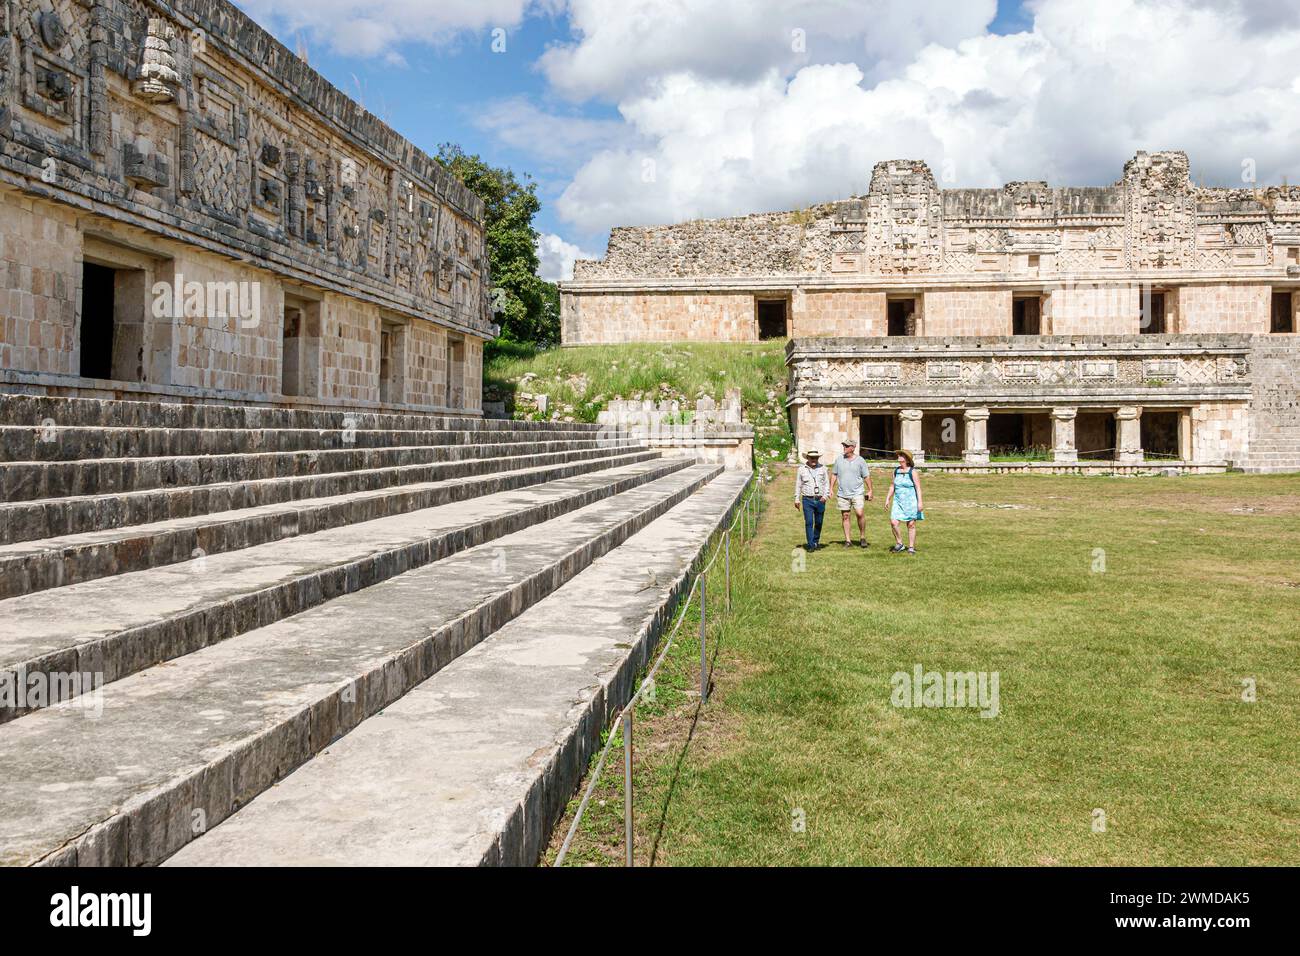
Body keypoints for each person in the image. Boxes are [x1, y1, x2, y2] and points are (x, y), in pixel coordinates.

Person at [830, 438, 873, 548]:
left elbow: (866, 476)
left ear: (853, 448)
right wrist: (830, 488)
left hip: (857, 492)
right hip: (842, 493)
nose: (844, 447)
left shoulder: (860, 460)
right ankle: (848, 540)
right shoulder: (839, 460)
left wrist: (870, 490)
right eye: (844, 445)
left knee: (859, 513)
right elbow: (834, 474)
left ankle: (862, 537)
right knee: (845, 515)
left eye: (846, 446)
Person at [885, 449, 924, 554]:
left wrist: (920, 502)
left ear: (906, 459)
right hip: (898, 501)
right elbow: (892, 485)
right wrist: (888, 498)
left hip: (911, 501)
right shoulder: (896, 471)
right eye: (899, 455)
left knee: (911, 524)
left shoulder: (913, 472)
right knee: (893, 522)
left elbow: (918, 488)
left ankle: (911, 547)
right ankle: (900, 543)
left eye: (901, 455)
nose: (899, 457)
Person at [793, 448, 829, 551]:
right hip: (807, 499)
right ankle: (810, 544)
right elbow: (798, 485)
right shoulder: (801, 469)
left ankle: (816, 541)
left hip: (820, 499)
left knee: (819, 522)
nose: (814, 460)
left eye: (816, 458)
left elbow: (827, 483)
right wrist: (797, 499)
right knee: (809, 522)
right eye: (812, 458)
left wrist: (825, 496)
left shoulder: (823, 468)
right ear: (807, 458)